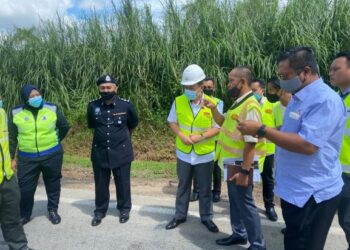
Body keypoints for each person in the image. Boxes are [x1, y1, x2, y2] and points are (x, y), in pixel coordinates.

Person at [237, 46, 346, 250]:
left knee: (305, 245)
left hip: (313, 193)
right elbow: (293, 130)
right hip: (295, 190)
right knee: (294, 241)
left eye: (285, 75)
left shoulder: (325, 100)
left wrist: (262, 130)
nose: (282, 81)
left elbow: (308, 144)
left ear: (304, 72)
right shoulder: (298, 96)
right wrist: (272, 129)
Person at [206, 66, 266, 250]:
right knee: (235, 201)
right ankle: (239, 234)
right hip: (232, 162)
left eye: (231, 80)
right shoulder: (238, 102)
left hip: (242, 164)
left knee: (246, 204)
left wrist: (245, 171)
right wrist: (214, 109)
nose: (228, 84)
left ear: (242, 82)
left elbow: (251, 142)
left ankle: (258, 244)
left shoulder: (250, 106)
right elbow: (224, 123)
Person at [165, 64, 220, 233]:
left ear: (201, 85)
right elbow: (172, 122)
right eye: (185, 87)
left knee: (204, 188)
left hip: (204, 154)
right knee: (183, 186)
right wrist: (182, 136)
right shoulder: (179, 101)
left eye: (191, 87)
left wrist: (201, 137)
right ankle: (180, 215)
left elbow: (218, 127)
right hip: (184, 153)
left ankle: (207, 217)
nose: (188, 90)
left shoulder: (215, 103)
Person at [9, 84, 70, 225]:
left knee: (53, 183)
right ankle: (25, 215)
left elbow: (64, 126)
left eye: (37, 94)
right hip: (27, 158)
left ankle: (53, 210)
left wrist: (55, 140)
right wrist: (11, 157)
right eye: (31, 96)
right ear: (25, 98)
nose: (35, 98)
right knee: (25, 188)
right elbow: (12, 137)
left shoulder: (51, 108)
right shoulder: (16, 112)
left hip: (52, 155)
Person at [87, 75, 138, 226]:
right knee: (101, 184)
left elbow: (133, 124)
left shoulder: (126, 106)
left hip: (121, 151)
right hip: (100, 152)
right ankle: (100, 211)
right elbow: (92, 125)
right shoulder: (92, 106)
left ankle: (124, 209)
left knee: (123, 182)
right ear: (99, 89)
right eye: (102, 88)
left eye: (109, 87)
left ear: (116, 88)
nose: (106, 90)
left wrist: (121, 137)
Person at [0, 96, 33, 250]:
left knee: (11, 216)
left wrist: (11, 160)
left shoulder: (1, 113)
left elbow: (8, 141)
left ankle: (19, 246)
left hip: (6, 176)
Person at [190, 77, 224, 203]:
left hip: (214, 139)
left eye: (210, 87)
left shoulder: (218, 102)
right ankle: (196, 190)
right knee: (196, 165)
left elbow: (219, 121)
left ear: (214, 88)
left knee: (215, 168)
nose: (207, 89)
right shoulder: (195, 100)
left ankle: (216, 191)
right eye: (204, 87)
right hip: (199, 139)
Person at [329, 51, 350, 249]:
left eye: (336, 69)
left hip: (348, 173)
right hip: (335, 170)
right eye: (330, 69)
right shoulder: (335, 98)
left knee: (348, 220)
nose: (331, 73)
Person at [251, 78, 278, 222]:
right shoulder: (248, 105)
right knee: (250, 178)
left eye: (254, 90)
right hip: (252, 150)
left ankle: (269, 206)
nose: (252, 93)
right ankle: (249, 207)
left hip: (268, 150)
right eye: (251, 91)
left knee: (267, 179)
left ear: (262, 90)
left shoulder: (272, 106)